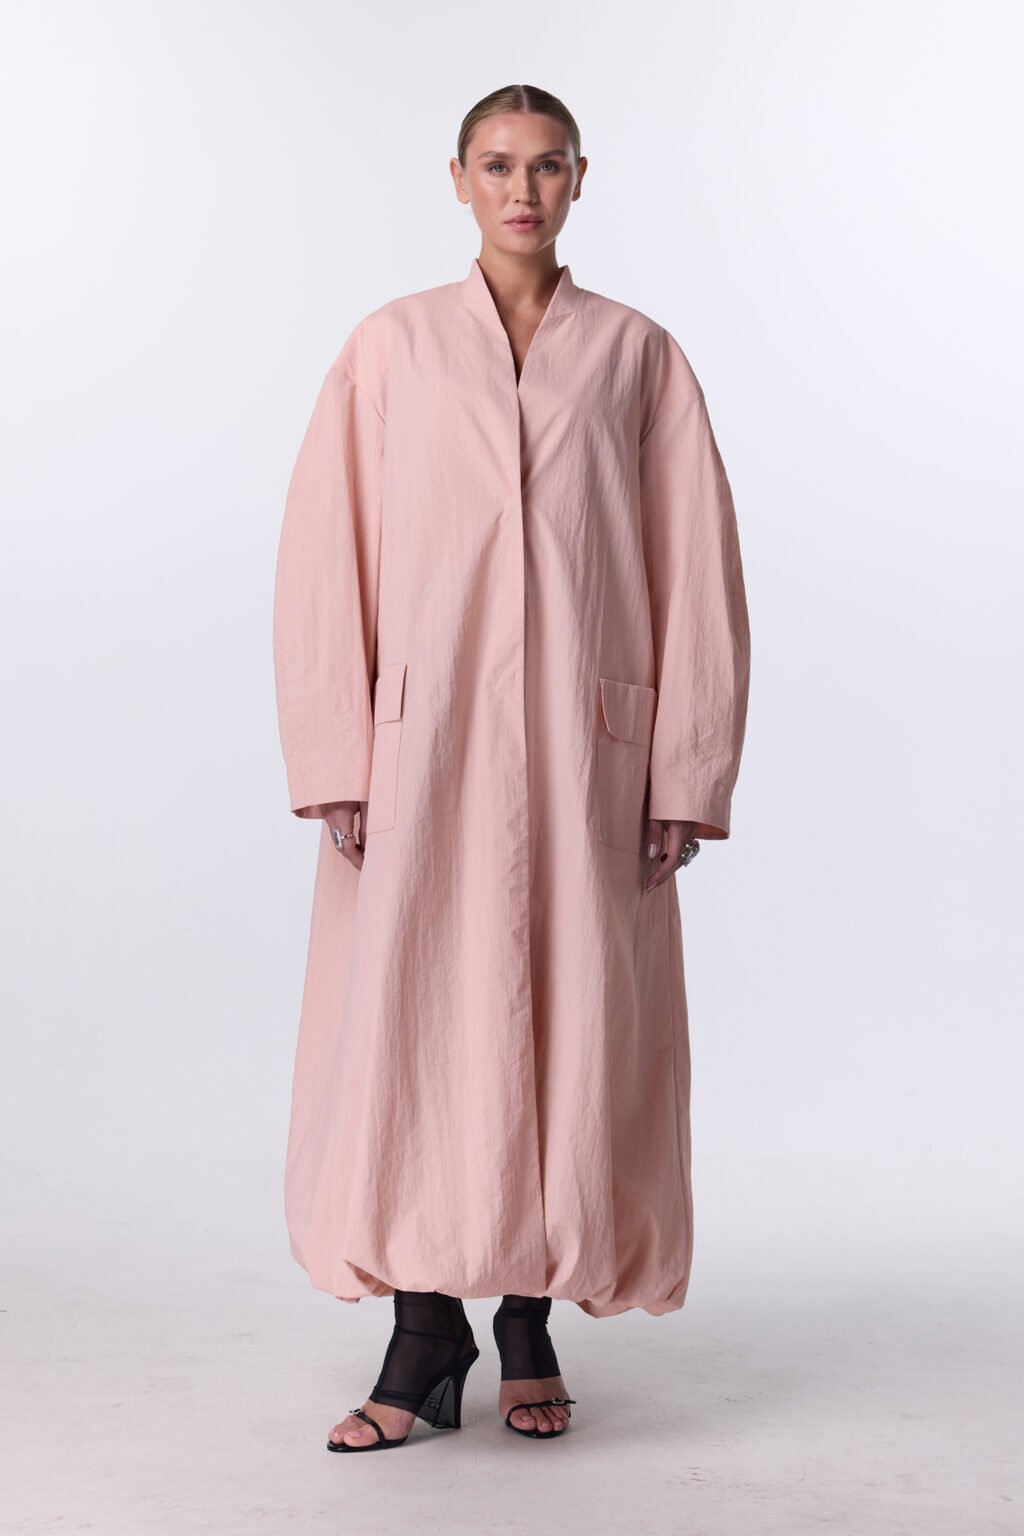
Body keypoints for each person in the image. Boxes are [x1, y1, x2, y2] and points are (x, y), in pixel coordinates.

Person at [271, 83, 751, 1452]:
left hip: (592, 756)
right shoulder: (392, 348)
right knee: (417, 1026)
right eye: (496, 165)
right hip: (419, 750)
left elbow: (697, 568)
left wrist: (685, 770)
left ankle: (530, 1319)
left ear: (581, 179)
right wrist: (335, 752)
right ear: (458, 178)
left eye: (546, 166)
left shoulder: (638, 357)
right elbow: (326, 553)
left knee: (574, 1029)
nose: (521, 190)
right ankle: (426, 1329)